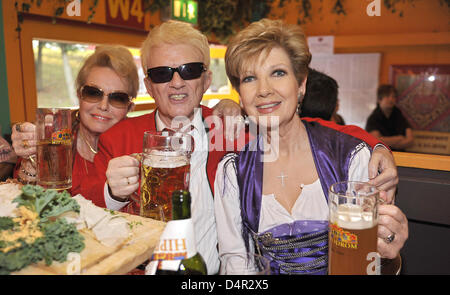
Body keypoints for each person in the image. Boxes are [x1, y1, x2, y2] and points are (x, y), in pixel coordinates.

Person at [92, 21, 399, 275]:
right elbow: (85, 218)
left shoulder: (232, 129)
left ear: (206, 79)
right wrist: (113, 193)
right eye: (161, 73)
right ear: (148, 84)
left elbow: (317, 132)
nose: (176, 82)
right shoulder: (118, 139)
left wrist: (377, 144)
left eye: (188, 70)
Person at [214, 19, 408, 275]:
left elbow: (371, 261)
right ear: (240, 93)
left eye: (278, 73)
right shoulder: (232, 173)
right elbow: (236, 265)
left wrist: (387, 252)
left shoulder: (351, 158)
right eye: (250, 78)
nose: (263, 90)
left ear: (301, 83)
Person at [11, 45, 139, 206]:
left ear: (129, 107)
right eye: (93, 93)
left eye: (117, 98)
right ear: (79, 95)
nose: (103, 106)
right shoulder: (53, 136)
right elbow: (23, 200)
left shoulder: (138, 145)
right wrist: (29, 161)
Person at [365, 84, 414, 151]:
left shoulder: (399, 115)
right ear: (379, 100)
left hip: (401, 155)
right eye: (387, 96)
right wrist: (399, 138)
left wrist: (388, 142)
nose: (391, 99)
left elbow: (410, 141)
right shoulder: (373, 118)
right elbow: (376, 141)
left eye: (393, 97)